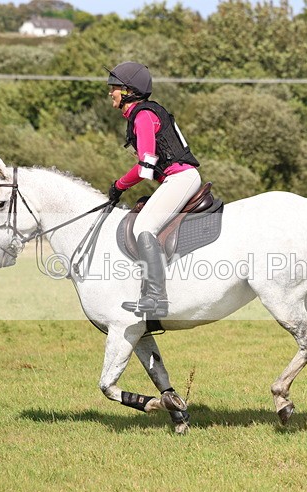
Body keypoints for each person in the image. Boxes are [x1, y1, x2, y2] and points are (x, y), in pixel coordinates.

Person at [106, 61, 202, 318]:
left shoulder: (143, 116)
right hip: (176, 179)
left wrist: (119, 185)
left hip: (181, 178)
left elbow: (146, 166)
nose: (110, 92)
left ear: (128, 91)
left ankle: (157, 299)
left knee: (143, 227)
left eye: (114, 88)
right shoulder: (141, 114)